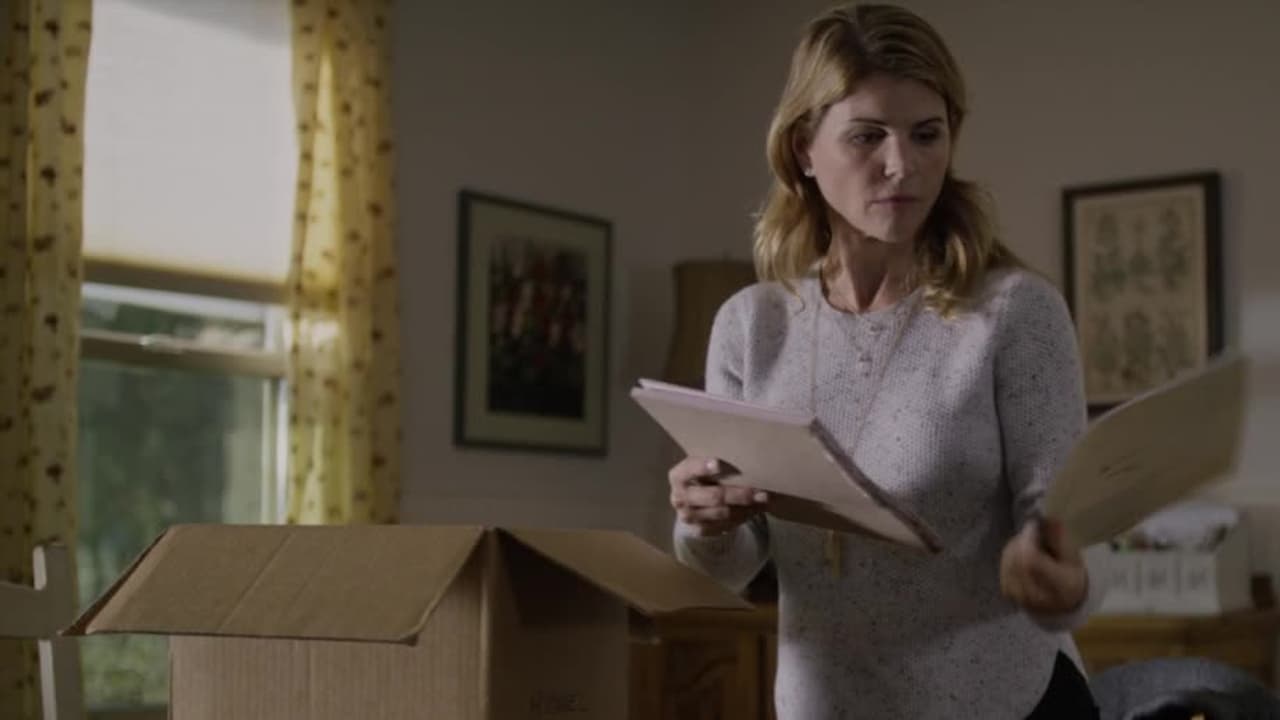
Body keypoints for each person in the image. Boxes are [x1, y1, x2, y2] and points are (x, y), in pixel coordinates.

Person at [668, 4, 1108, 718]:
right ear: (804, 148)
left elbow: (1067, 530)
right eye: (867, 135)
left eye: (926, 134)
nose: (902, 164)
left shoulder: (1013, 314)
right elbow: (736, 563)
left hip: (1007, 704)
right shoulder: (750, 326)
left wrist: (1063, 576)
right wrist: (706, 522)